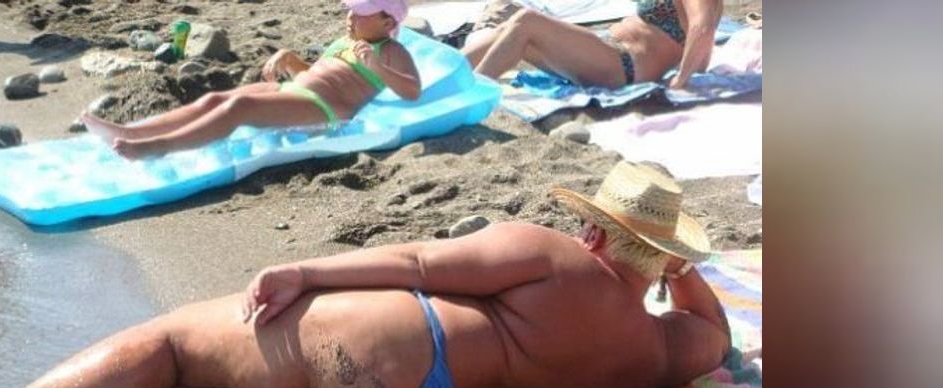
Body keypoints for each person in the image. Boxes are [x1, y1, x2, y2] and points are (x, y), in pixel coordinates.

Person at [0, 161, 730, 388]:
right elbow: (715, 330)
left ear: (593, 228)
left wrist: (307, 272)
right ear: (664, 258)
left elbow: (420, 263)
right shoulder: (657, 350)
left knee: (170, 348)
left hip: (384, 352)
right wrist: (675, 271)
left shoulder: (552, 254)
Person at [81, 0, 422, 160]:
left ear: (387, 22)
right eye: (350, 10)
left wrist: (378, 68)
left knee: (240, 107)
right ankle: (133, 132)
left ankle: (157, 147)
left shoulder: (391, 51)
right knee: (216, 99)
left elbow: (412, 90)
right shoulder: (346, 41)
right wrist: (291, 59)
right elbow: (318, 73)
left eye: (361, 13)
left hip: (325, 110)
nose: (350, 17)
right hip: (296, 90)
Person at [463, 0, 723, 89]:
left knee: (526, 22)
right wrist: (697, 69)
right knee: (509, 27)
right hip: (608, 50)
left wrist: (682, 79)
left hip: (623, 63)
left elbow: (703, 28)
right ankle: (447, 72)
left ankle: (472, 91)